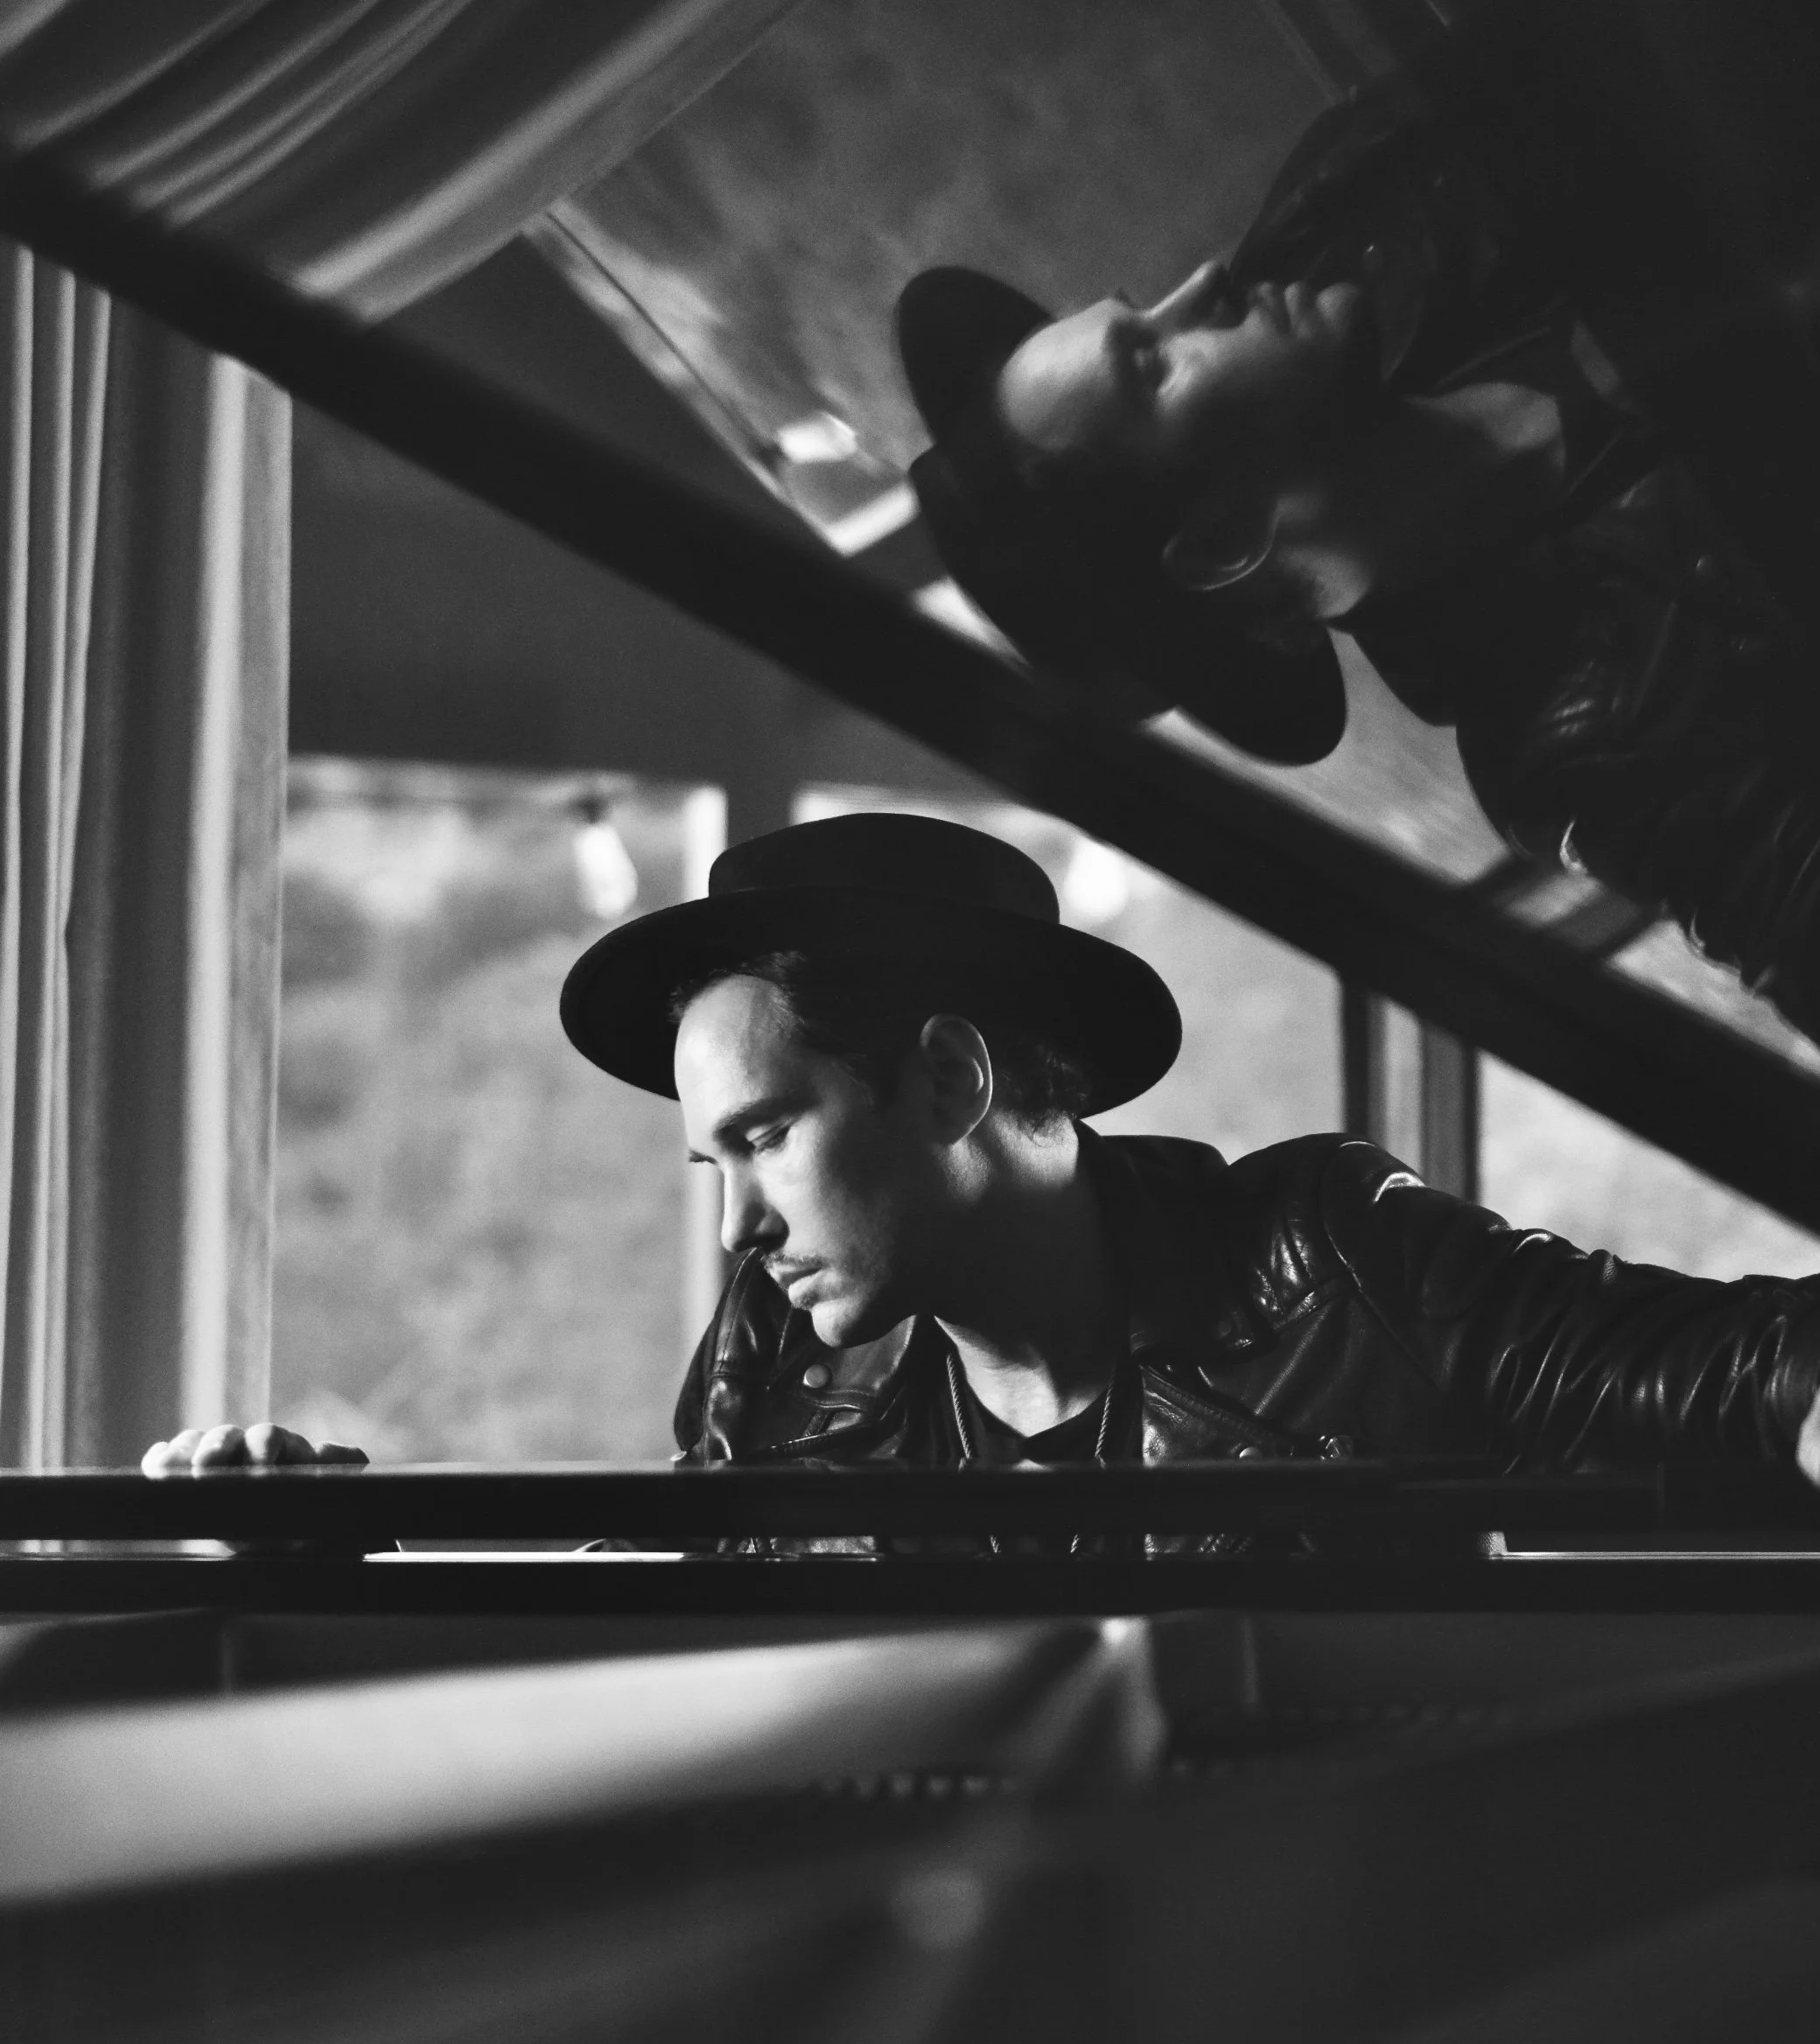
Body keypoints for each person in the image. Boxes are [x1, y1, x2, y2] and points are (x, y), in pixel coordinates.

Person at [144, 811, 1820, 1549]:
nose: (737, 1224)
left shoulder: (1335, 1260)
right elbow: (667, 1629)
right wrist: (322, 1548)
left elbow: (1766, 1373)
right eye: (708, 1162)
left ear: (946, 1078)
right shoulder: (784, 1360)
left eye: (766, 1134)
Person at [893, 65, 1820, 1037]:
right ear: (1219, 541)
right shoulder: (1585, 740)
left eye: (1141, 307)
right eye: (1151, 363)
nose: (1202, 283)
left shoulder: (1367, 206)